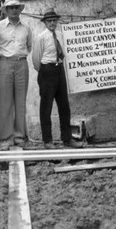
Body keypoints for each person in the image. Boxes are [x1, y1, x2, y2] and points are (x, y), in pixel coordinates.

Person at [32, 8, 82, 149]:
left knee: (64, 105)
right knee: (46, 107)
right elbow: (36, 59)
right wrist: (44, 73)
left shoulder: (60, 34)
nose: (52, 23)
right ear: (45, 23)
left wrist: (57, 68)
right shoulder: (41, 37)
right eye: (49, 21)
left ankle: (67, 138)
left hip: (59, 69)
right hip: (47, 70)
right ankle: (47, 140)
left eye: (54, 20)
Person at [0, 0, 32, 149]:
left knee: (20, 102)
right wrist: (2, 63)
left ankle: (19, 137)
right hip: (4, 64)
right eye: (11, 8)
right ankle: (6, 138)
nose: (14, 10)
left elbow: (29, 47)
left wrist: (18, 58)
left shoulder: (26, 28)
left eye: (16, 7)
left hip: (22, 64)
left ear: (19, 10)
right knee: (5, 102)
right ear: (6, 10)